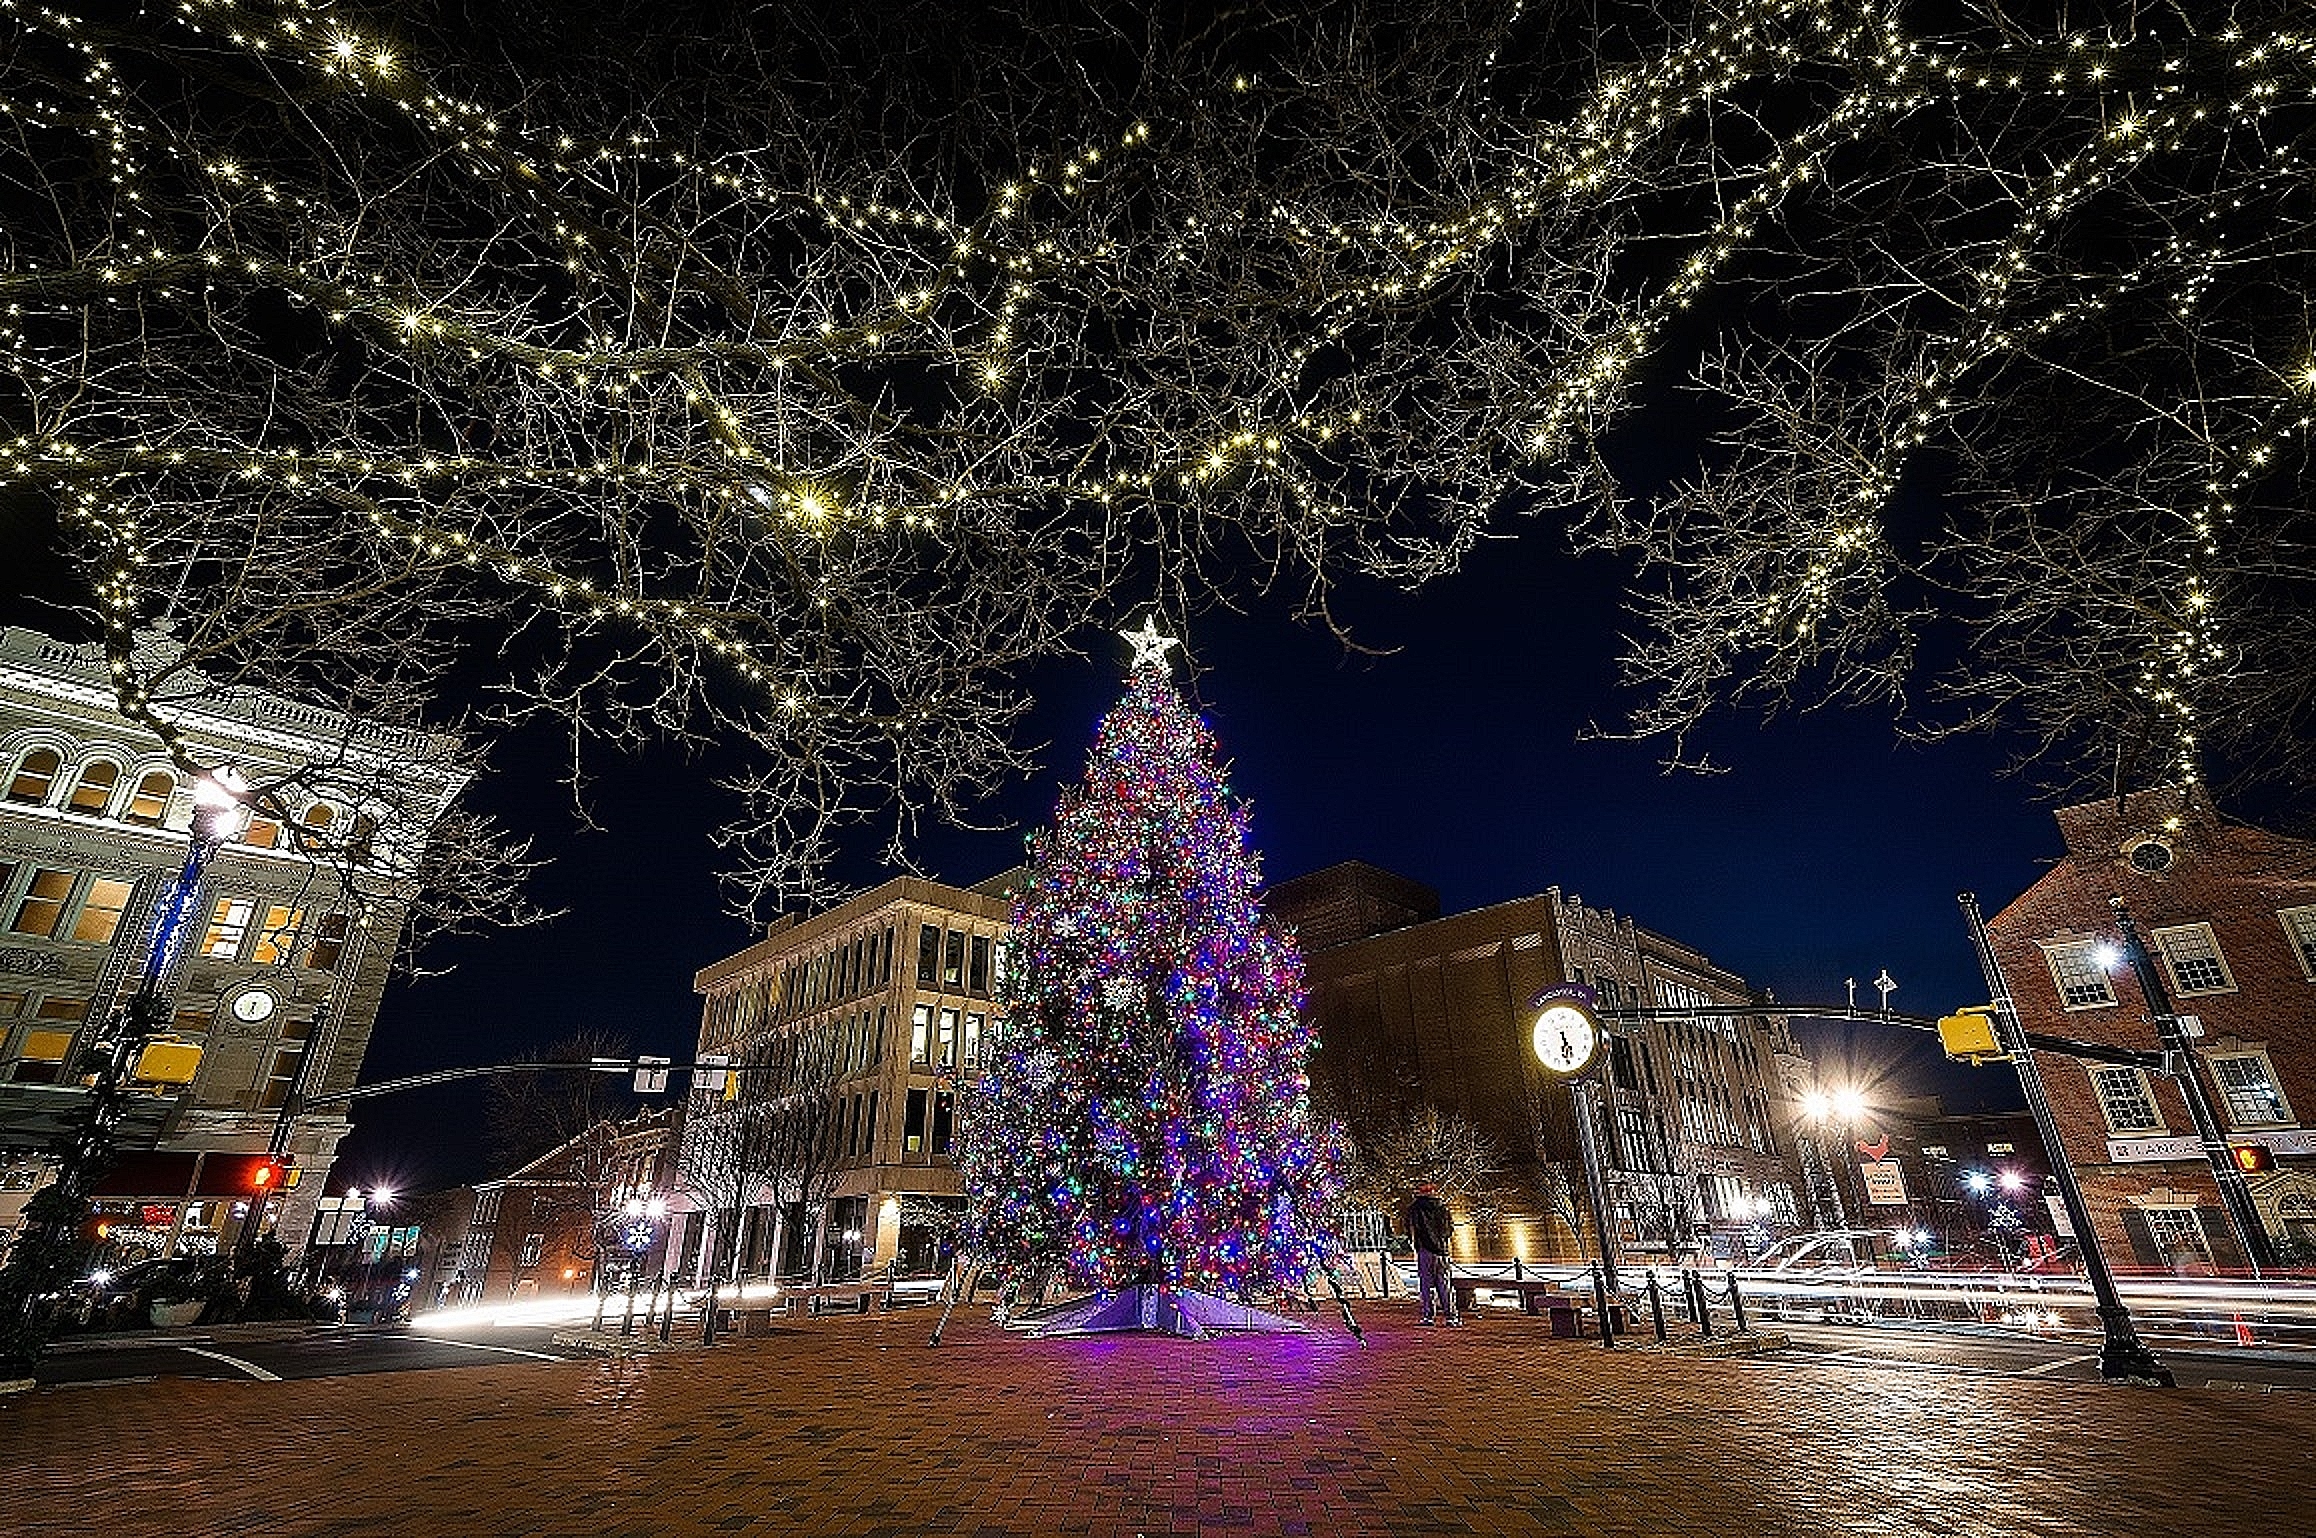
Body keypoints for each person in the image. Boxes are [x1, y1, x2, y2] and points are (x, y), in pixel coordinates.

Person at [1406, 1182, 1460, 1326]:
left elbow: (1412, 1229)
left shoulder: (1415, 1209)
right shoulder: (1443, 1208)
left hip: (1425, 1250)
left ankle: (1428, 1316)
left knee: (1426, 1285)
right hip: (1442, 1251)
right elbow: (1449, 1229)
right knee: (1444, 1284)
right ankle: (1451, 1317)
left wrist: (1416, 1244)